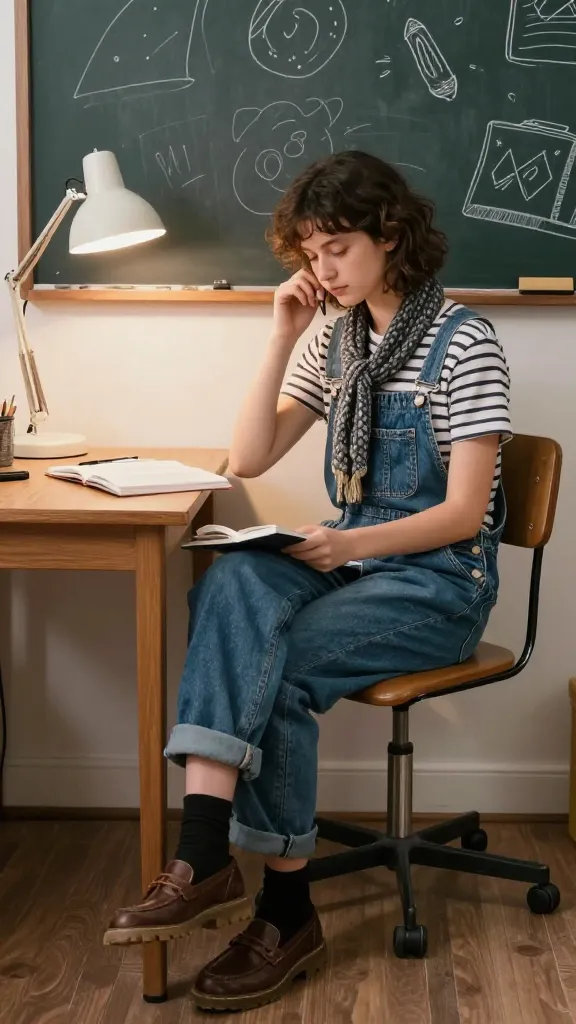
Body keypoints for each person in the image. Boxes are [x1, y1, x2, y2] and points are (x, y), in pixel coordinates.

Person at [104, 151, 511, 1012]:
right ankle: (209, 855)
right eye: (308, 252)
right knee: (236, 578)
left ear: (390, 237)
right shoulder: (334, 339)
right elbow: (247, 457)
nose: (319, 269)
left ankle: (280, 909)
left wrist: (343, 548)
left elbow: (466, 515)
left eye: (335, 249)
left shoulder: (465, 342)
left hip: (437, 583)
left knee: (276, 665)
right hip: (353, 557)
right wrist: (281, 332)